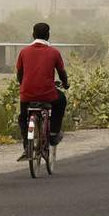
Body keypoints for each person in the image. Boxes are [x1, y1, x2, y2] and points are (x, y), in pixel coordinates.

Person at [16, 21, 69, 161]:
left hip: (27, 95)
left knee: (22, 117)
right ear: (48, 35)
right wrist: (65, 83)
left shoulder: (24, 52)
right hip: (48, 95)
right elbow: (62, 72)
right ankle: (53, 133)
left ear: (33, 35)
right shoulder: (54, 52)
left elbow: (19, 75)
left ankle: (27, 146)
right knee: (61, 99)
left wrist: (24, 86)